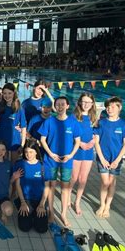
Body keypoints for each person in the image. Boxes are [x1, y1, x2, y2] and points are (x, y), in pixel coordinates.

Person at [39, 96, 81, 227]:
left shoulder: (73, 122)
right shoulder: (49, 121)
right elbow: (42, 140)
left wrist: (70, 155)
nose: (60, 107)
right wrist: (51, 154)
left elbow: (78, 142)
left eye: (63, 104)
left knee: (65, 188)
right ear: (54, 107)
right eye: (58, 105)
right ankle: (51, 212)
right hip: (51, 160)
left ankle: (63, 213)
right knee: (51, 187)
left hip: (66, 161)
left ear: (68, 106)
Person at [94, 97, 125, 219]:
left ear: (119, 108)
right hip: (103, 157)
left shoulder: (124, 124)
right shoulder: (101, 123)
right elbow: (96, 142)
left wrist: (117, 160)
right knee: (105, 182)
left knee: (112, 182)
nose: (109, 109)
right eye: (108, 107)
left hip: (116, 158)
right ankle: (102, 204)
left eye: (112, 107)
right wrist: (101, 158)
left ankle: (107, 206)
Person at [14, 139, 50, 233]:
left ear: (36, 152)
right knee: (24, 228)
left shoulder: (43, 166)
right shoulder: (20, 164)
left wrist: (42, 204)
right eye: (26, 152)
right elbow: (17, 185)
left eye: (31, 152)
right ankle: (29, 213)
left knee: (42, 229)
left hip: (39, 200)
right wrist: (22, 202)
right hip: (25, 199)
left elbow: (47, 187)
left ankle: (35, 213)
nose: (28, 154)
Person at [70, 93, 97, 216]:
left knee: (83, 179)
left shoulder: (94, 118)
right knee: (74, 178)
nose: (86, 104)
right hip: (77, 149)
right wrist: (80, 144)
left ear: (92, 104)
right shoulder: (74, 117)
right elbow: (69, 134)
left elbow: (97, 134)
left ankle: (77, 202)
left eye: (89, 102)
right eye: (84, 101)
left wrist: (93, 141)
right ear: (80, 102)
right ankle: (67, 197)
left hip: (88, 151)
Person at [0, 83, 27, 162]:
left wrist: (22, 144)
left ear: (14, 93)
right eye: (5, 93)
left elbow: (23, 127)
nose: (7, 96)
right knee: (4, 164)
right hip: (2, 139)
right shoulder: (0, 106)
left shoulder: (19, 108)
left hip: (15, 140)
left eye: (9, 93)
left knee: (14, 164)